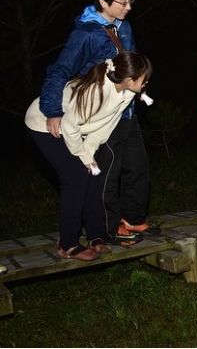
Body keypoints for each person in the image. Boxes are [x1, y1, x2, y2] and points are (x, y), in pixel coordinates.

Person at [38, 0, 156, 245]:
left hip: (127, 109)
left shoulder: (123, 26)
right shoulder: (85, 35)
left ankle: (132, 218)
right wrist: (52, 109)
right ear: (103, 1)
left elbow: (133, 59)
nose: (129, 7)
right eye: (123, 2)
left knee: (138, 167)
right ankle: (108, 228)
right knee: (108, 172)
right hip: (102, 114)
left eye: (131, 0)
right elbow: (59, 71)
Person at [25, 51, 153, 261]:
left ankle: (96, 235)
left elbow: (103, 129)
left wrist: (89, 156)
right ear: (130, 79)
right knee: (75, 178)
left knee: (93, 174)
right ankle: (67, 244)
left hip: (73, 130)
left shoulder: (127, 94)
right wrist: (82, 155)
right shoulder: (97, 91)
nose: (146, 82)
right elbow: (69, 126)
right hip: (45, 124)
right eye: (144, 78)